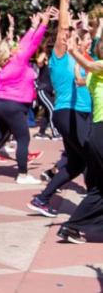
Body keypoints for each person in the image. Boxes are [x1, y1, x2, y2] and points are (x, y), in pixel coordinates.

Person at [28, 0, 92, 223]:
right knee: (95, 155)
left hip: (82, 113)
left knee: (75, 164)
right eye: (71, 37)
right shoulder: (60, 56)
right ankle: (91, 209)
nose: (73, 39)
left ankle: (42, 199)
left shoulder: (82, 60)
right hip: (69, 112)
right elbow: (64, 29)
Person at [0, 9, 50, 184]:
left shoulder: (2, 65)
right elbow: (32, 44)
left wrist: (33, 27)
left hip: (1, 105)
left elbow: (25, 44)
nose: (17, 45)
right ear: (10, 50)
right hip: (14, 105)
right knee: (23, 138)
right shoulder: (18, 61)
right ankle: (23, 175)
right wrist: (43, 25)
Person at [63, 35, 103, 243]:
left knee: (99, 189)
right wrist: (73, 51)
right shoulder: (99, 67)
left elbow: (80, 78)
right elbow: (88, 64)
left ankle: (70, 227)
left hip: (96, 133)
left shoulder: (92, 76)